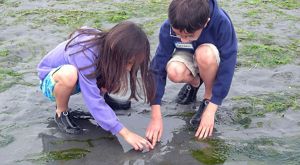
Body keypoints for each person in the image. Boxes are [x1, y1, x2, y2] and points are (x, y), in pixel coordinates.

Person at [37, 21, 155, 151]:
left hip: (81, 75)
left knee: (111, 67)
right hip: (52, 80)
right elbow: (92, 100)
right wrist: (126, 133)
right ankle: (61, 112)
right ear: (115, 46)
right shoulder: (84, 53)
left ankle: (104, 98)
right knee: (69, 74)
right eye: (128, 62)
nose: (129, 68)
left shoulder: (109, 47)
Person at [146, 0, 237, 147]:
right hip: (186, 52)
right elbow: (157, 67)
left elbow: (228, 64)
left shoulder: (221, 22)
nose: (183, 39)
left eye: (189, 35)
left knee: (204, 54)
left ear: (206, 23)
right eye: (178, 34)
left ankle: (207, 98)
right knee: (174, 72)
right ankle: (195, 82)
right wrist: (155, 115)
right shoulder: (169, 26)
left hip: (210, 55)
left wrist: (212, 107)